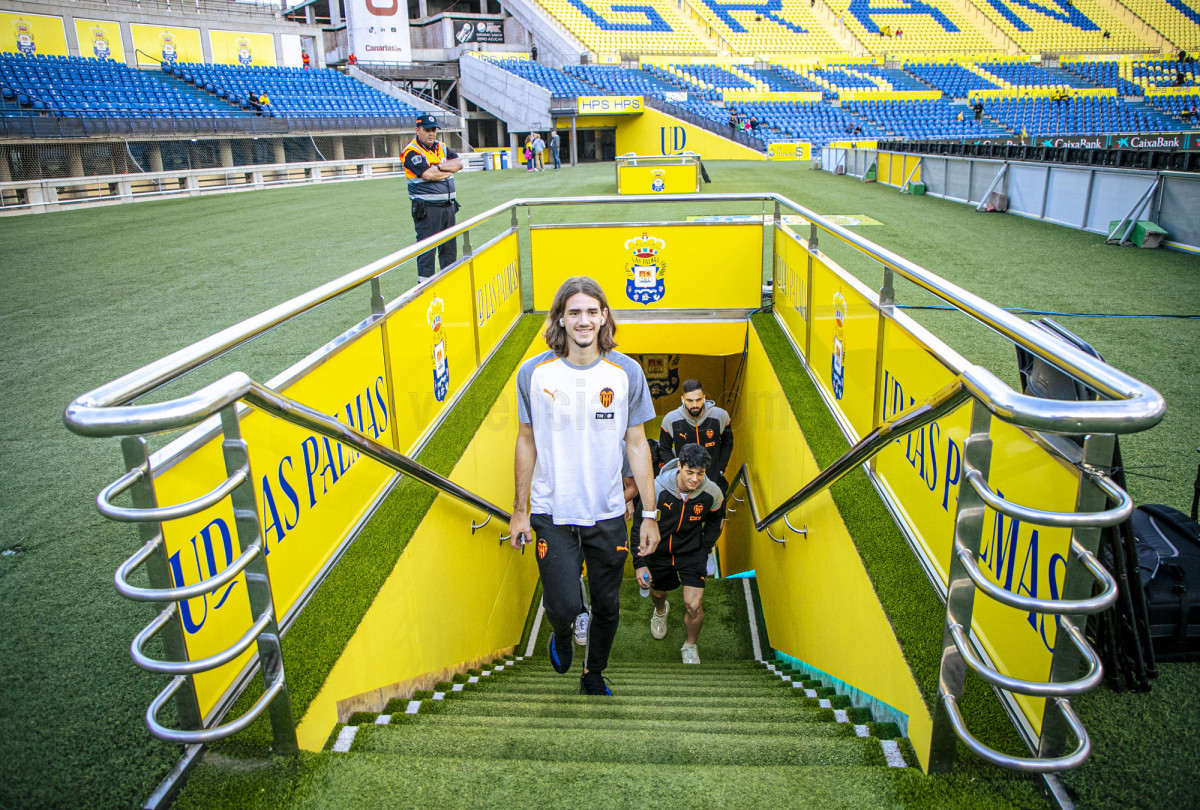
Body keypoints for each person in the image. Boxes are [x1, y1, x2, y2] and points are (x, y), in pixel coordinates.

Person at [511, 276, 660, 696]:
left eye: (592, 311)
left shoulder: (627, 372)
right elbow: (526, 440)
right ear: (560, 317)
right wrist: (520, 511)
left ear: (604, 316)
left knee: (607, 606)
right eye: (574, 312)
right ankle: (561, 631)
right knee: (563, 605)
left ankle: (593, 673)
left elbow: (637, 444)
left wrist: (649, 514)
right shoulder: (533, 373)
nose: (584, 320)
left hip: (607, 513)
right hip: (551, 511)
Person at [632, 443, 725, 664]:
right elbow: (638, 526)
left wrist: (704, 547)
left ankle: (690, 645)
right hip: (659, 551)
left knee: (694, 605)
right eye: (689, 472)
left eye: (700, 473)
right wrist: (640, 563)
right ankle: (660, 611)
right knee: (658, 594)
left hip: (692, 553)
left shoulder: (712, 492)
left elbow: (716, 520)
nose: (695, 479)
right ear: (679, 466)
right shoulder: (656, 489)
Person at [402, 114, 463, 281]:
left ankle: (449, 283)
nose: (431, 133)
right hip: (427, 210)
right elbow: (428, 174)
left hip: (448, 207)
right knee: (427, 251)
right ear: (417, 130)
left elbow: (459, 164)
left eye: (434, 130)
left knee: (449, 250)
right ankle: (425, 288)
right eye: (427, 130)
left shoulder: (441, 146)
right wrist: (446, 170)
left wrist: (439, 167)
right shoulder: (411, 151)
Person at [658, 379, 734, 491]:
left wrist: (721, 468)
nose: (694, 405)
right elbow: (664, 449)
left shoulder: (720, 416)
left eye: (698, 400)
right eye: (689, 400)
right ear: (682, 399)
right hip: (685, 484)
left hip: (713, 481)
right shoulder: (671, 419)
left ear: (704, 397)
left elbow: (728, 443)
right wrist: (677, 471)